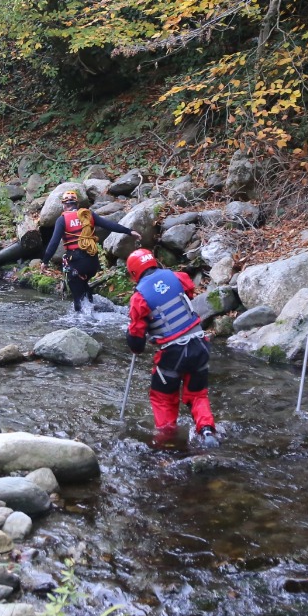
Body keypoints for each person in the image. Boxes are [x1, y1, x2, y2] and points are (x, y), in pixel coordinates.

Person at [125, 249, 218, 447]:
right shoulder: (177, 277)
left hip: (173, 353)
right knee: (198, 394)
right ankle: (207, 430)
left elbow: (136, 342)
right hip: (199, 344)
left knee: (163, 399)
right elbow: (188, 292)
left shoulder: (139, 298)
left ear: (133, 273)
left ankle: (167, 443)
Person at [41, 189, 132, 311]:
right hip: (92, 263)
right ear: (77, 204)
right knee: (84, 287)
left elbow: (53, 243)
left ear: (64, 205)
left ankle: (86, 324)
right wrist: (129, 231)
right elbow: (109, 225)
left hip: (76, 263)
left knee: (78, 301)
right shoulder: (88, 215)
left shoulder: (62, 220)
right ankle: (95, 308)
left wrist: (45, 261)